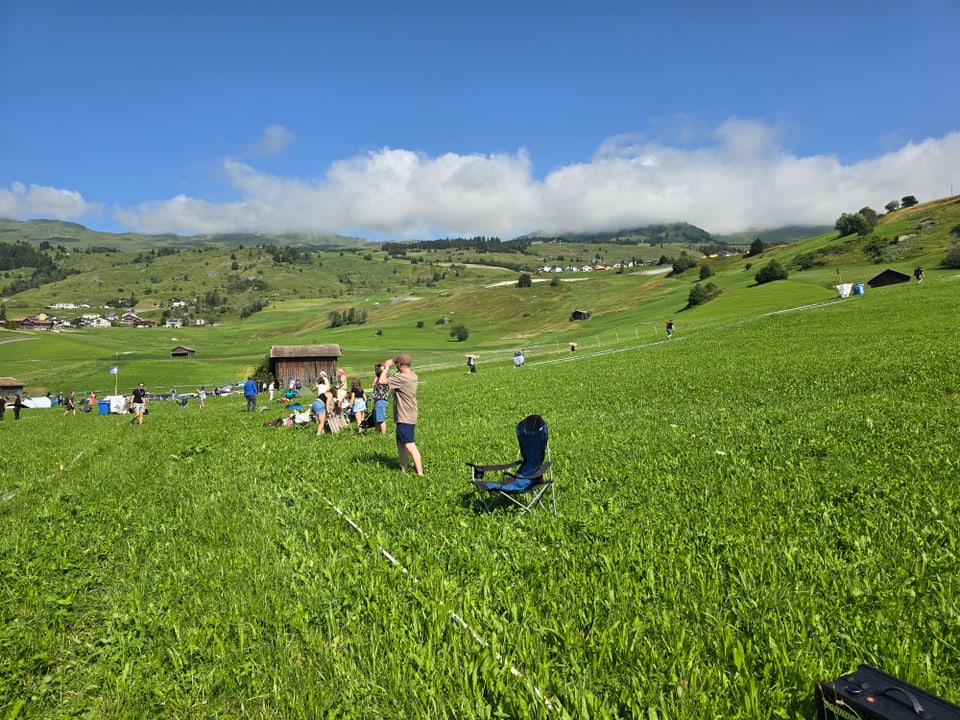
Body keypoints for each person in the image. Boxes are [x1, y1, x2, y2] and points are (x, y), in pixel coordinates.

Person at [378, 353, 423, 475]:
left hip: (405, 416)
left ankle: (420, 474)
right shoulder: (412, 375)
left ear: (399, 364)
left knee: (409, 445)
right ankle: (404, 469)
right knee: (400, 444)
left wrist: (386, 368)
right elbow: (395, 379)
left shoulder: (403, 378)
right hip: (408, 414)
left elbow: (382, 381)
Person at [371, 363, 390, 435]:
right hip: (378, 401)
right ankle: (377, 433)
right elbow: (373, 384)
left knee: (381, 419)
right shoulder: (379, 378)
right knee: (377, 419)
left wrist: (384, 368)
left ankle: (383, 435)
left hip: (381, 400)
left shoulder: (384, 378)